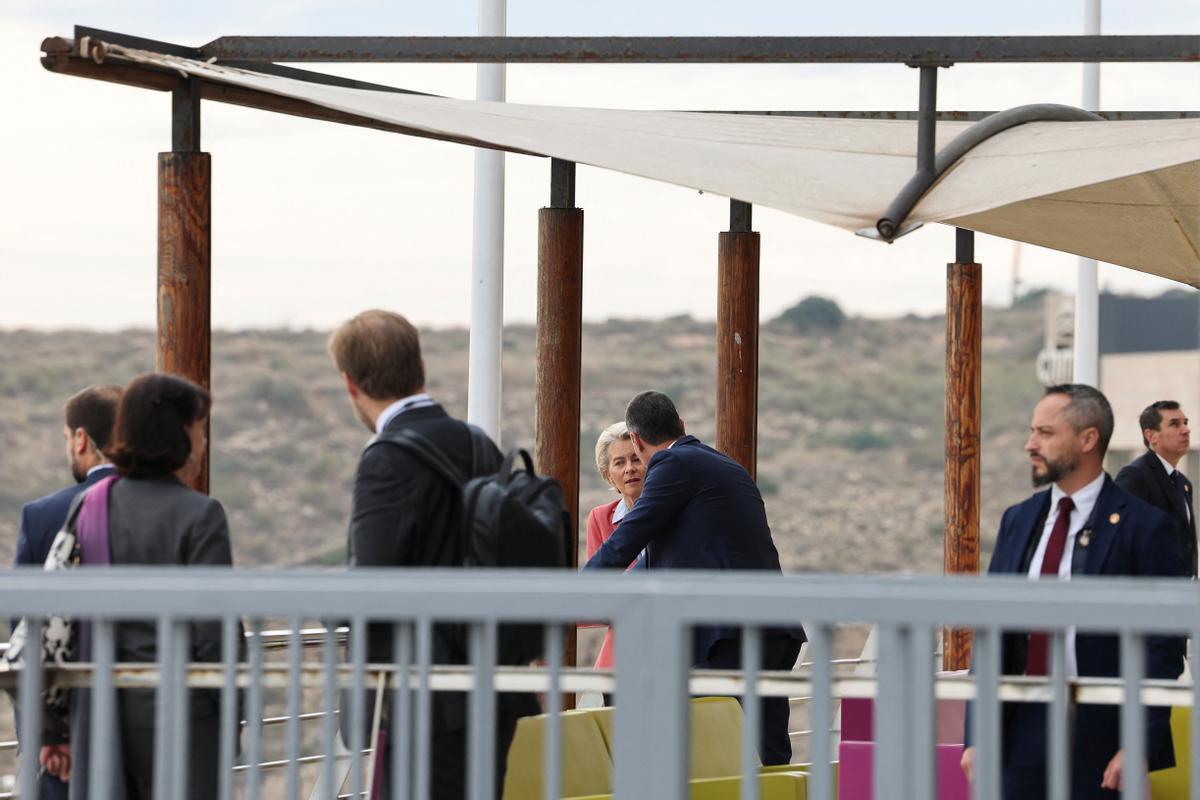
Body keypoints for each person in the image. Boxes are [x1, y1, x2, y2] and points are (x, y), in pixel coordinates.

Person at [330, 309, 537, 799]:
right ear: (417, 366)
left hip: (422, 702)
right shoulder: (475, 442)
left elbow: (371, 582)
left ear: (350, 383)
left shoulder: (387, 457)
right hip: (488, 685)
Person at [961, 384, 1186, 799]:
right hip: (1018, 731)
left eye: (1045, 433)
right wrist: (977, 733)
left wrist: (1138, 746)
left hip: (1102, 732)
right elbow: (990, 634)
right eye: (1032, 432)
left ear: (1087, 439)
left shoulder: (1145, 526)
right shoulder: (1017, 520)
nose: (1031, 444)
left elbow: (1163, 646)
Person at [38, 373, 236, 799]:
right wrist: (234, 712)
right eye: (200, 427)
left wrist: (53, 725)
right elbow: (214, 635)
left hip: (99, 717)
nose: (203, 441)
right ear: (180, 434)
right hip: (183, 722)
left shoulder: (89, 505)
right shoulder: (201, 516)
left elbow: (56, 616)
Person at [584, 390, 805, 765]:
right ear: (682, 425)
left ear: (637, 442)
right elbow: (649, 564)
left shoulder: (672, 465)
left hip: (729, 636)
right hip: (772, 630)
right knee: (767, 755)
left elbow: (626, 540)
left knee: (702, 754)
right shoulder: (723, 464)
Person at [13, 385, 121, 800]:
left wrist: (43, 735)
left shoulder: (42, 516)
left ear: (81, 439)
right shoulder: (174, 507)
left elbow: (26, 631)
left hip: (64, 739)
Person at [583, 422, 645, 684]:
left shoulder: (674, 510)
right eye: (619, 463)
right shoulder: (600, 518)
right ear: (609, 475)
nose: (629, 468)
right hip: (621, 660)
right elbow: (597, 596)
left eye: (635, 459)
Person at [1115, 401, 1194, 576]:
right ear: (1151, 436)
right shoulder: (1135, 476)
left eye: (1185, 423)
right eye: (1174, 424)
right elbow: (1119, 541)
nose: (1186, 430)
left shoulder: (1184, 483)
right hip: (1150, 592)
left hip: (1183, 593)